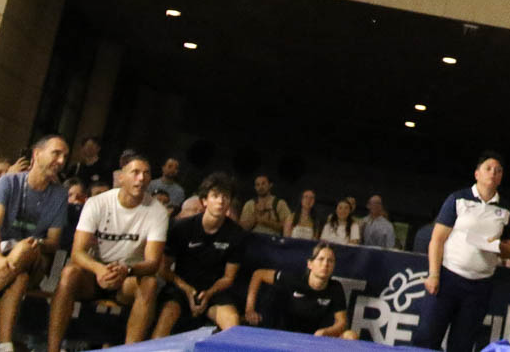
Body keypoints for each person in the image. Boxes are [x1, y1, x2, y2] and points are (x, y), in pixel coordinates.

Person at [47, 149, 168, 352]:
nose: (141, 178)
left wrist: (126, 270)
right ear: (121, 177)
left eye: (146, 173)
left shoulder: (158, 211)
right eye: (135, 172)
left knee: (150, 283)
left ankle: (130, 350)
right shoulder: (97, 203)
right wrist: (99, 269)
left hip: (127, 278)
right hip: (95, 274)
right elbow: (78, 252)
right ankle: (53, 349)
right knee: (69, 273)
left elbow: (153, 262)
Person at [411, 152, 510, 352]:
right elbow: (437, 239)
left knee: (463, 343)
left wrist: (498, 246)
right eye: (488, 169)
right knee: (427, 337)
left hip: (480, 285)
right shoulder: (458, 199)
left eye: (498, 171)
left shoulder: (506, 209)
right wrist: (434, 274)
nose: (493, 173)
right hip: (448, 277)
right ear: (477, 174)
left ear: (501, 178)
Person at [0, 133, 69, 352]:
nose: (61, 161)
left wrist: (34, 245)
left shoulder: (59, 195)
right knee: (20, 277)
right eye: (56, 153)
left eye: (64, 156)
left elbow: (53, 242)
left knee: (26, 247)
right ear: (37, 154)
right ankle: (5, 345)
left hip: (34, 258)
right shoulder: (8, 182)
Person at [152, 173, 245, 336]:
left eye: (225, 197)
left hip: (215, 292)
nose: (221, 201)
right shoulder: (181, 228)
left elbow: (228, 277)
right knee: (166, 319)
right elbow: (164, 269)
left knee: (232, 320)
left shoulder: (236, 234)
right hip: (182, 288)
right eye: (215, 196)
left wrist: (208, 294)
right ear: (204, 200)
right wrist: (188, 291)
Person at [245, 240, 351, 338]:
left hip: (316, 338)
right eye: (321, 259)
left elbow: (342, 322)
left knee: (351, 335)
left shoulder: (336, 288)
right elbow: (259, 274)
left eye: (330, 261)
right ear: (310, 264)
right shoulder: (294, 279)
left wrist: (326, 332)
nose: (325, 264)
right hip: (285, 334)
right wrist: (249, 309)